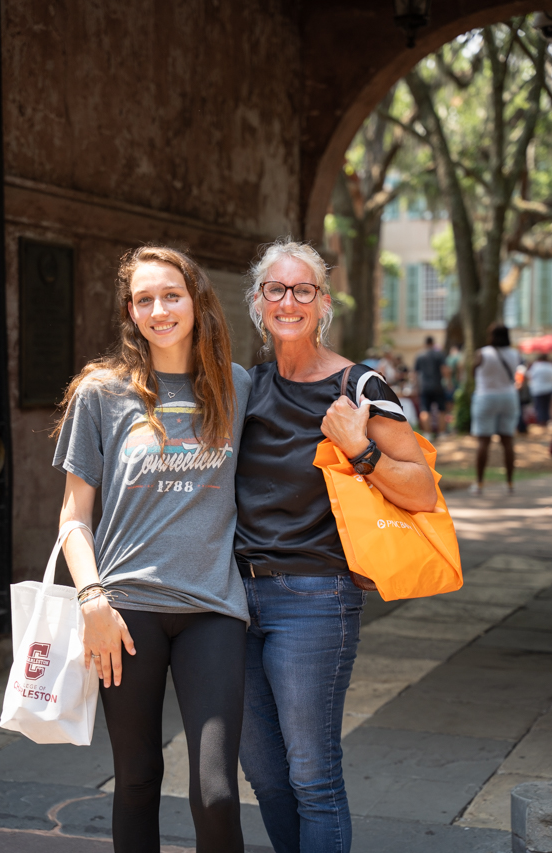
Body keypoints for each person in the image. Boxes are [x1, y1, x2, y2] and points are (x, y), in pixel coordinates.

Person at [234, 239, 437, 853]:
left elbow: (423, 489)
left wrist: (360, 447)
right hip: (235, 600)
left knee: (311, 776)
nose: (288, 301)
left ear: (323, 302)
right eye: (276, 289)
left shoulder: (360, 385)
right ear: (257, 302)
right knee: (265, 775)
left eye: (303, 290)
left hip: (317, 598)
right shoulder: (248, 387)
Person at [52, 246, 251, 853]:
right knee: (137, 780)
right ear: (130, 311)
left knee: (217, 791)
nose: (159, 309)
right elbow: (73, 515)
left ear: (197, 300)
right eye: (144, 299)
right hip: (125, 612)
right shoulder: (102, 393)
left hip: (212, 608)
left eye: (172, 295)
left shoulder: (236, 386)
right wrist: (92, 602)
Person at [470, 323, 520, 495]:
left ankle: (480, 483)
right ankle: (510, 483)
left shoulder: (483, 353)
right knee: (508, 442)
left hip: (486, 397)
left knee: (484, 442)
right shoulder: (515, 353)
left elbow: (472, 372)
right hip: (509, 397)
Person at [414, 336, 448, 439]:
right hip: (438, 385)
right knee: (441, 410)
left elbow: (415, 374)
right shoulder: (439, 355)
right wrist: (448, 381)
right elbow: (444, 369)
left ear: (425, 344)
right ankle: (441, 433)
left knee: (425, 410)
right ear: (433, 343)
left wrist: (416, 386)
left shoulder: (419, 356)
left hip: (424, 387)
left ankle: (428, 434)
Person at [527, 353, 552, 425]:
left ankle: (541, 420)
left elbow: (529, 375)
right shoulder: (549, 366)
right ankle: (546, 420)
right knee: (546, 406)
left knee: (539, 406)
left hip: (537, 389)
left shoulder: (536, 366)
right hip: (548, 389)